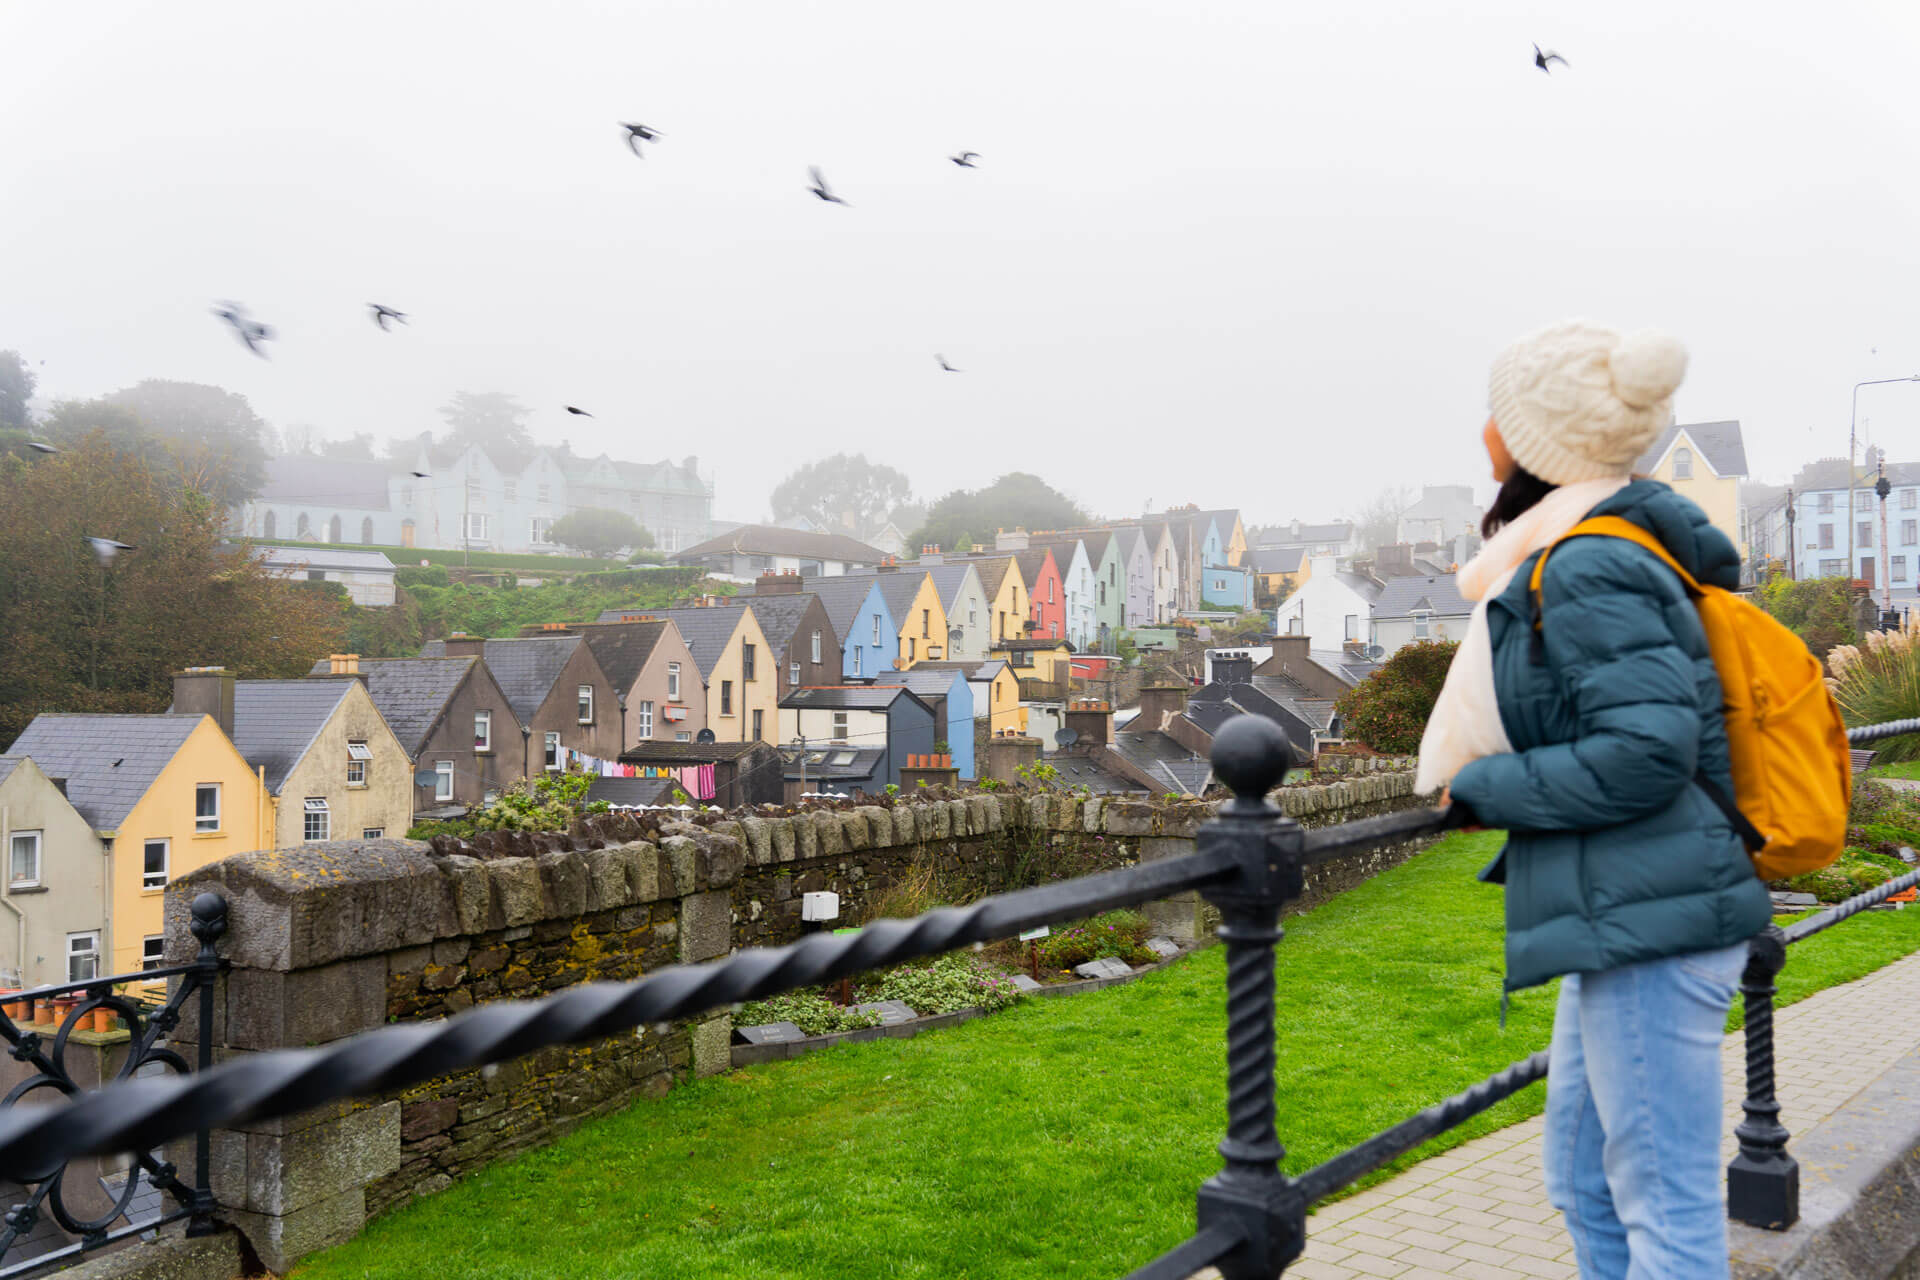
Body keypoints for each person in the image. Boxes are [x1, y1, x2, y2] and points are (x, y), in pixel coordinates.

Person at [1418, 320, 1772, 1279]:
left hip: (1655, 925)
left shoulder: (1586, 563)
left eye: (1501, 414)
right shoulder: (1585, 547)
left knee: (1667, 1213)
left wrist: (1484, 788)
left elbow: (1647, 753)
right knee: (1584, 1182)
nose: (1485, 431)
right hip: (1627, 914)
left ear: (1539, 444)